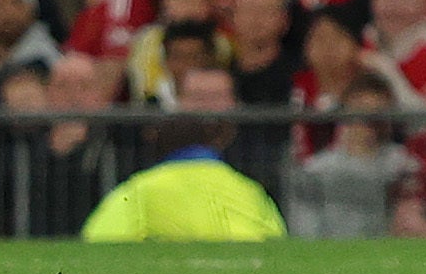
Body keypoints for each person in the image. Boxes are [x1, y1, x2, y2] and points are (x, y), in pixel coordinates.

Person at [80, 67, 287, 242]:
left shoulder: (140, 189)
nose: (206, 108)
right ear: (179, 102)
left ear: (235, 102)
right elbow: (275, 239)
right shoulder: (249, 190)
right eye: (198, 97)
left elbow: (98, 236)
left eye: (215, 97)